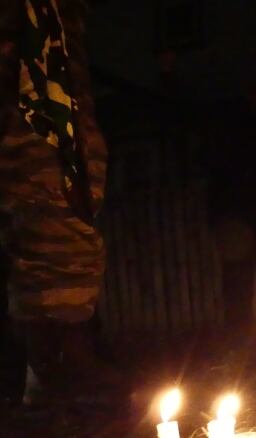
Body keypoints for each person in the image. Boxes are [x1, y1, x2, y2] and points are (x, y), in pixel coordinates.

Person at [0, 0, 121, 406]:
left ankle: (58, 361)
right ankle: (53, 363)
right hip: (38, 105)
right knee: (43, 182)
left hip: (60, 87)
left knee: (64, 189)